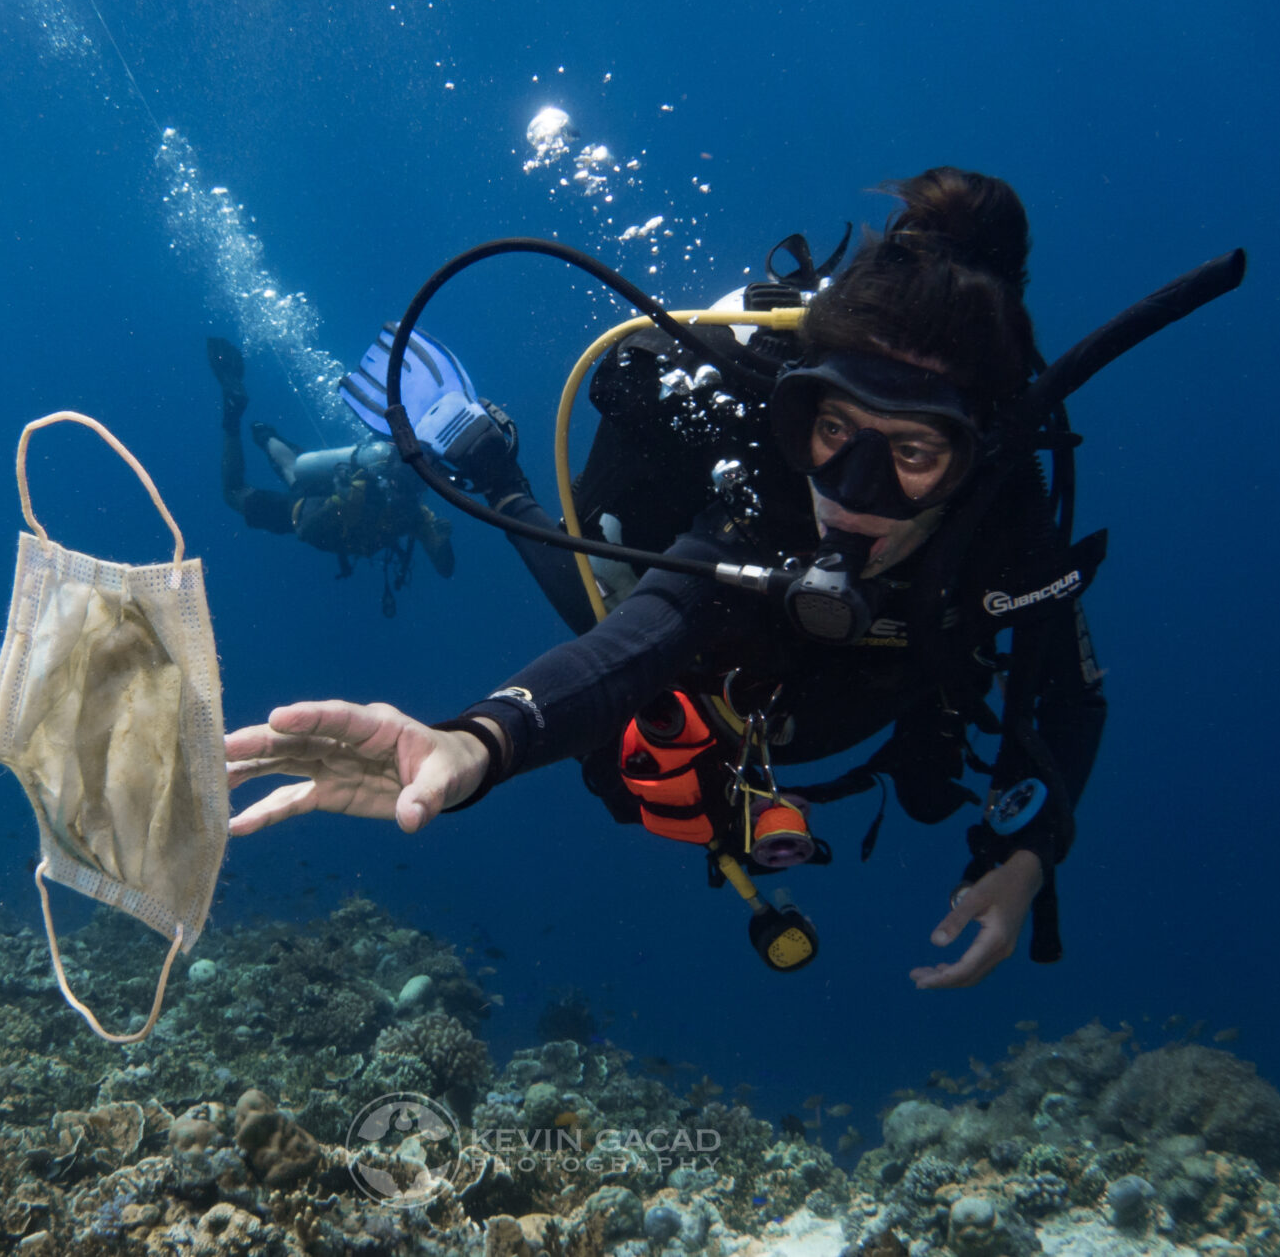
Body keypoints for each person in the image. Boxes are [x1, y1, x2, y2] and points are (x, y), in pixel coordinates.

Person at [223, 169, 1111, 988]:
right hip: (713, 647)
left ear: (972, 458)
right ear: (797, 413)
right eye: (834, 429)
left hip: (866, 688)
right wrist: (475, 744)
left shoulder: (1006, 528)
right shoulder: (760, 490)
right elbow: (633, 637)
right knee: (603, 608)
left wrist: (1026, 854)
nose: (854, 493)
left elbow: (1069, 698)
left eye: (914, 451)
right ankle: (494, 466)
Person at [210, 336, 455, 617]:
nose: (403, 496)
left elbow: (445, 567)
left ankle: (265, 436)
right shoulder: (407, 511)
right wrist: (340, 504)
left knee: (295, 473)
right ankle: (236, 420)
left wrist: (443, 541)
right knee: (237, 492)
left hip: (318, 500)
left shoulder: (413, 513)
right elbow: (305, 530)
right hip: (303, 511)